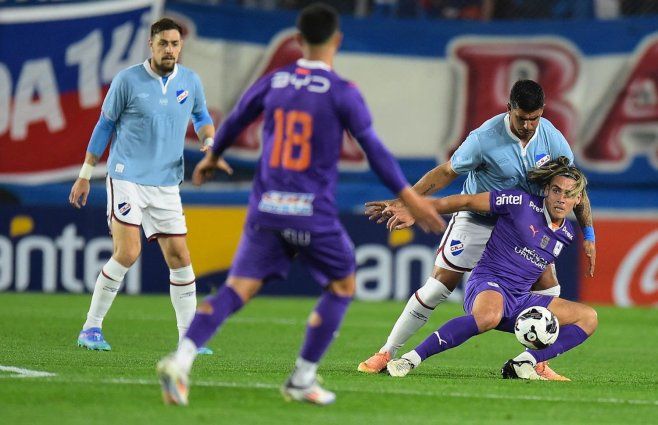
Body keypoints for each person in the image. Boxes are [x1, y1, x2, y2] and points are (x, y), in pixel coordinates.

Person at [155, 3, 444, 407]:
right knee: (342, 285)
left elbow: (238, 118)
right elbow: (374, 149)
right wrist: (412, 198)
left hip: (267, 207)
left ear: (298, 40)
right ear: (337, 40)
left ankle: (181, 360)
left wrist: (211, 154)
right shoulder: (343, 92)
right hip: (312, 211)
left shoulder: (276, 80)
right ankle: (302, 378)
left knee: (238, 288)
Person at [358, 79, 596, 380]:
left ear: (543, 112)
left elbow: (574, 184)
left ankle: (537, 361)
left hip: (525, 225)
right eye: (522, 118)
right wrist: (410, 202)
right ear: (509, 109)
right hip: (478, 220)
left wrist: (588, 233)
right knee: (438, 287)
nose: (528, 125)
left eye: (534, 118)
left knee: (549, 287)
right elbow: (447, 172)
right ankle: (387, 351)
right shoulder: (484, 138)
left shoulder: (553, 138)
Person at [68, 18, 228, 354]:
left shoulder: (190, 81)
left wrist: (210, 143)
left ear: (180, 46)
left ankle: (189, 338)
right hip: (127, 176)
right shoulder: (127, 80)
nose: (169, 49)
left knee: (181, 257)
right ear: (150, 44)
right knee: (128, 252)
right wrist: (85, 173)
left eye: (174, 44)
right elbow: (104, 126)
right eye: (163, 44)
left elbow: (200, 116)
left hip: (167, 181)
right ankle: (91, 328)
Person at [383, 157, 598, 380]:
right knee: (488, 317)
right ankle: (409, 360)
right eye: (556, 190)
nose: (561, 199)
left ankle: (524, 362)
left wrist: (590, 237)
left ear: (578, 199)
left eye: (569, 194)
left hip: (521, 299)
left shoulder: (567, 233)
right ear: (546, 190)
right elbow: (466, 201)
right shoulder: (519, 202)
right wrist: (417, 210)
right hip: (489, 284)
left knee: (588, 317)